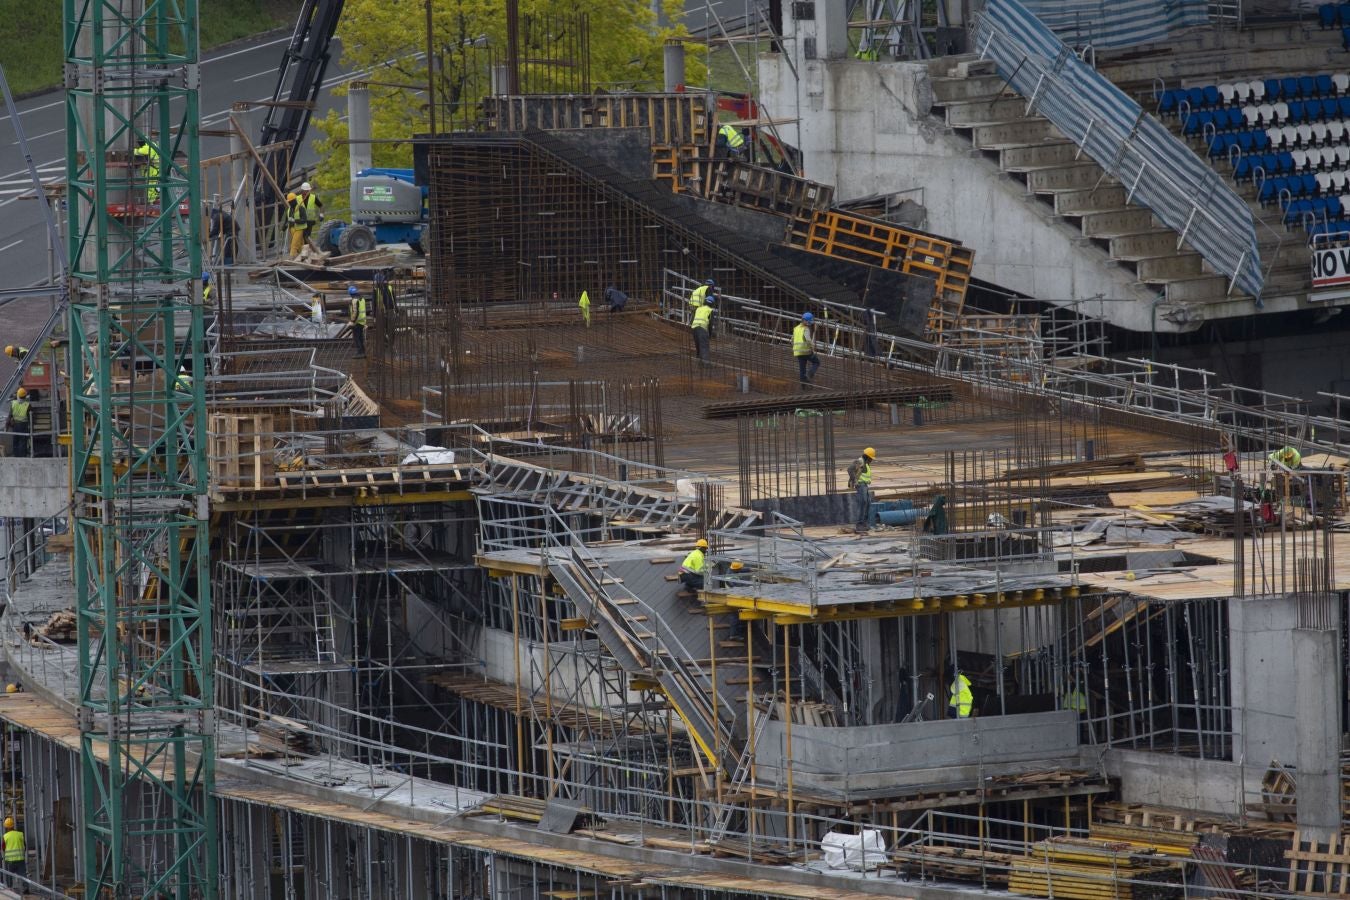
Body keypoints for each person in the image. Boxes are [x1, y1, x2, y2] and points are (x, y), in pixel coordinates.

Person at [286, 182, 324, 258]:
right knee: (300, 238)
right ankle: (302, 253)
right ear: (302, 190)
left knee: (306, 237)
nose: (306, 192)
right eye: (305, 190)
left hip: (309, 221)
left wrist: (321, 214)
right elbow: (292, 206)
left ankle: (306, 253)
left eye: (307, 190)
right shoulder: (298, 198)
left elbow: (321, 206)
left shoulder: (313, 197)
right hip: (300, 222)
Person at [847, 447, 875, 531]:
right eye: (871, 458)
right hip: (860, 485)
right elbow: (849, 469)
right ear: (868, 457)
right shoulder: (860, 461)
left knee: (867, 503)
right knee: (863, 502)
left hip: (865, 485)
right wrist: (855, 480)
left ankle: (864, 523)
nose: (872, 460)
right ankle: (859, 524)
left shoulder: (865, 463)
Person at [793, 311, 821, 388]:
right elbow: (808, 340)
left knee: (802, 369)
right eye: (809, 322)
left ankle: (803, 385)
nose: (809, 324)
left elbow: (792, 339)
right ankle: (810, 373)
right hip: (806, 351)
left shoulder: (796, 328)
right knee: (817, 362)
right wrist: (813, 347)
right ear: (805, 320)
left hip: (798, 352)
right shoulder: (805, 329)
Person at [134, 139, 160, 204]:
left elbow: (138, 151)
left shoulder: (147, 147)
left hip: (153, 169)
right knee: (154, 185)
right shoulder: (154, 145)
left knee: (151, 186)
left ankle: (150, 201)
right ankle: (152, 200)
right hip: (156, 168)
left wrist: (132, 150)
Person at [690, 297, 714, 365]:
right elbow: (710, 324)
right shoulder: (710, 310)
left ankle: (699, 362)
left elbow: (692, 320)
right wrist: (710, 334)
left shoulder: (698, 309)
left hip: (694, 328)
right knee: (704, 346)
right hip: (702, 328)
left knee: (698, 346)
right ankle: (706, 363)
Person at [8, 388, 30, 458]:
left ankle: (16, 456)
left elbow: (9, 416)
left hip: (15, 425)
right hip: (24, 425)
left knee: (15, 441)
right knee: (23, 442)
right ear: (25, 396)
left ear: (17, 395)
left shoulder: (13, 403)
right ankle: (23, 456)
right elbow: (30, 417)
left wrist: (7, 425)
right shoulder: (28, 405)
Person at [348, 285, 367, 357]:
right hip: (362, 321)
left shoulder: (354, 300)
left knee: (357, 337)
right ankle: (363, 351)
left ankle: (360, 352)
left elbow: (355, 312)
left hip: (357, 322)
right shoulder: (362, 299)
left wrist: (352, 321)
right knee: (360, 337)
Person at [2, 817, 23, 881]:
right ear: (13, 825)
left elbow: (3, 848)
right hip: (20, 859)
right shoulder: (20, 834)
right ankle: (25, 889)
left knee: (9, 876)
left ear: (6, 827)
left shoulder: (5, 836)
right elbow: (24, 845)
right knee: (22, 874)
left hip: (9, 860)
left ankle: (9, 888)